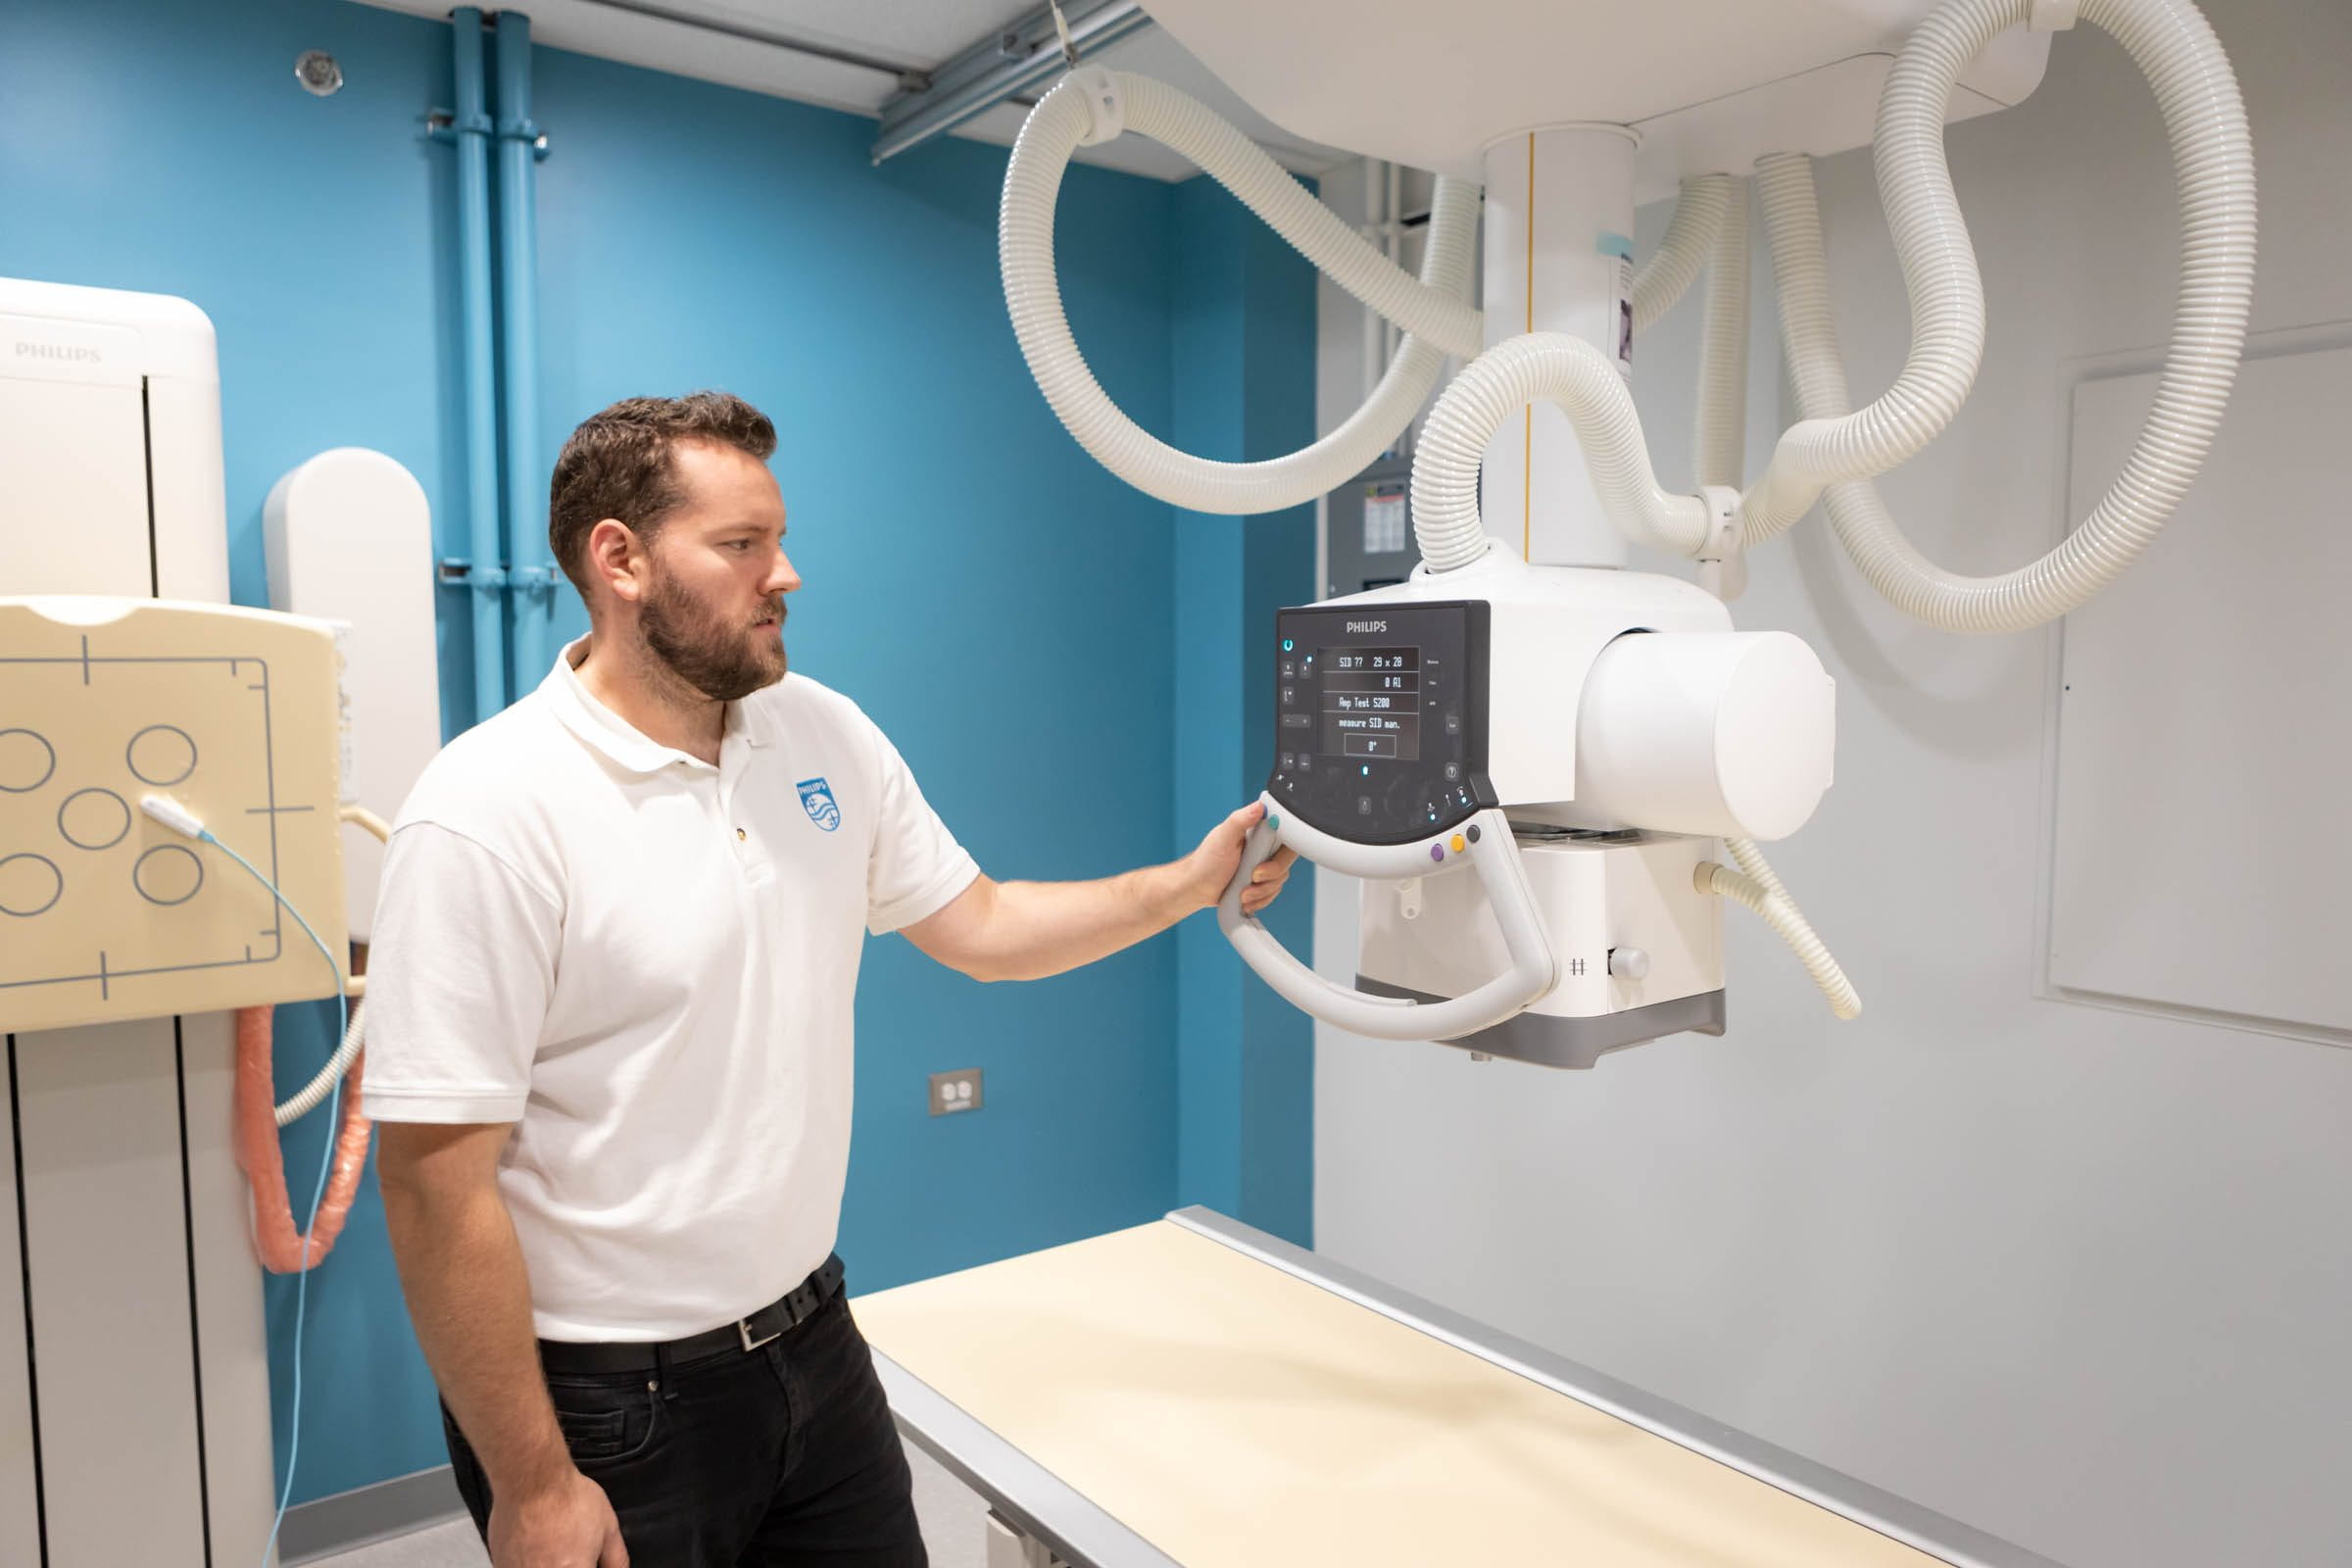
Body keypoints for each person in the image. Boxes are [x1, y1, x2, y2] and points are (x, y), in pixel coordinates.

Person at [364, 391, 1294, 1568]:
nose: (785, 575)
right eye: (741, 545)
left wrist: (1181, 885)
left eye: (779, 539)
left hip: (814, 1341)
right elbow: (435, 1184)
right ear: (621, 560)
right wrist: (537, 1483)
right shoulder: (489, 810)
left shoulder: (819, 734)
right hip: (610, 1403)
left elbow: (985, 924)